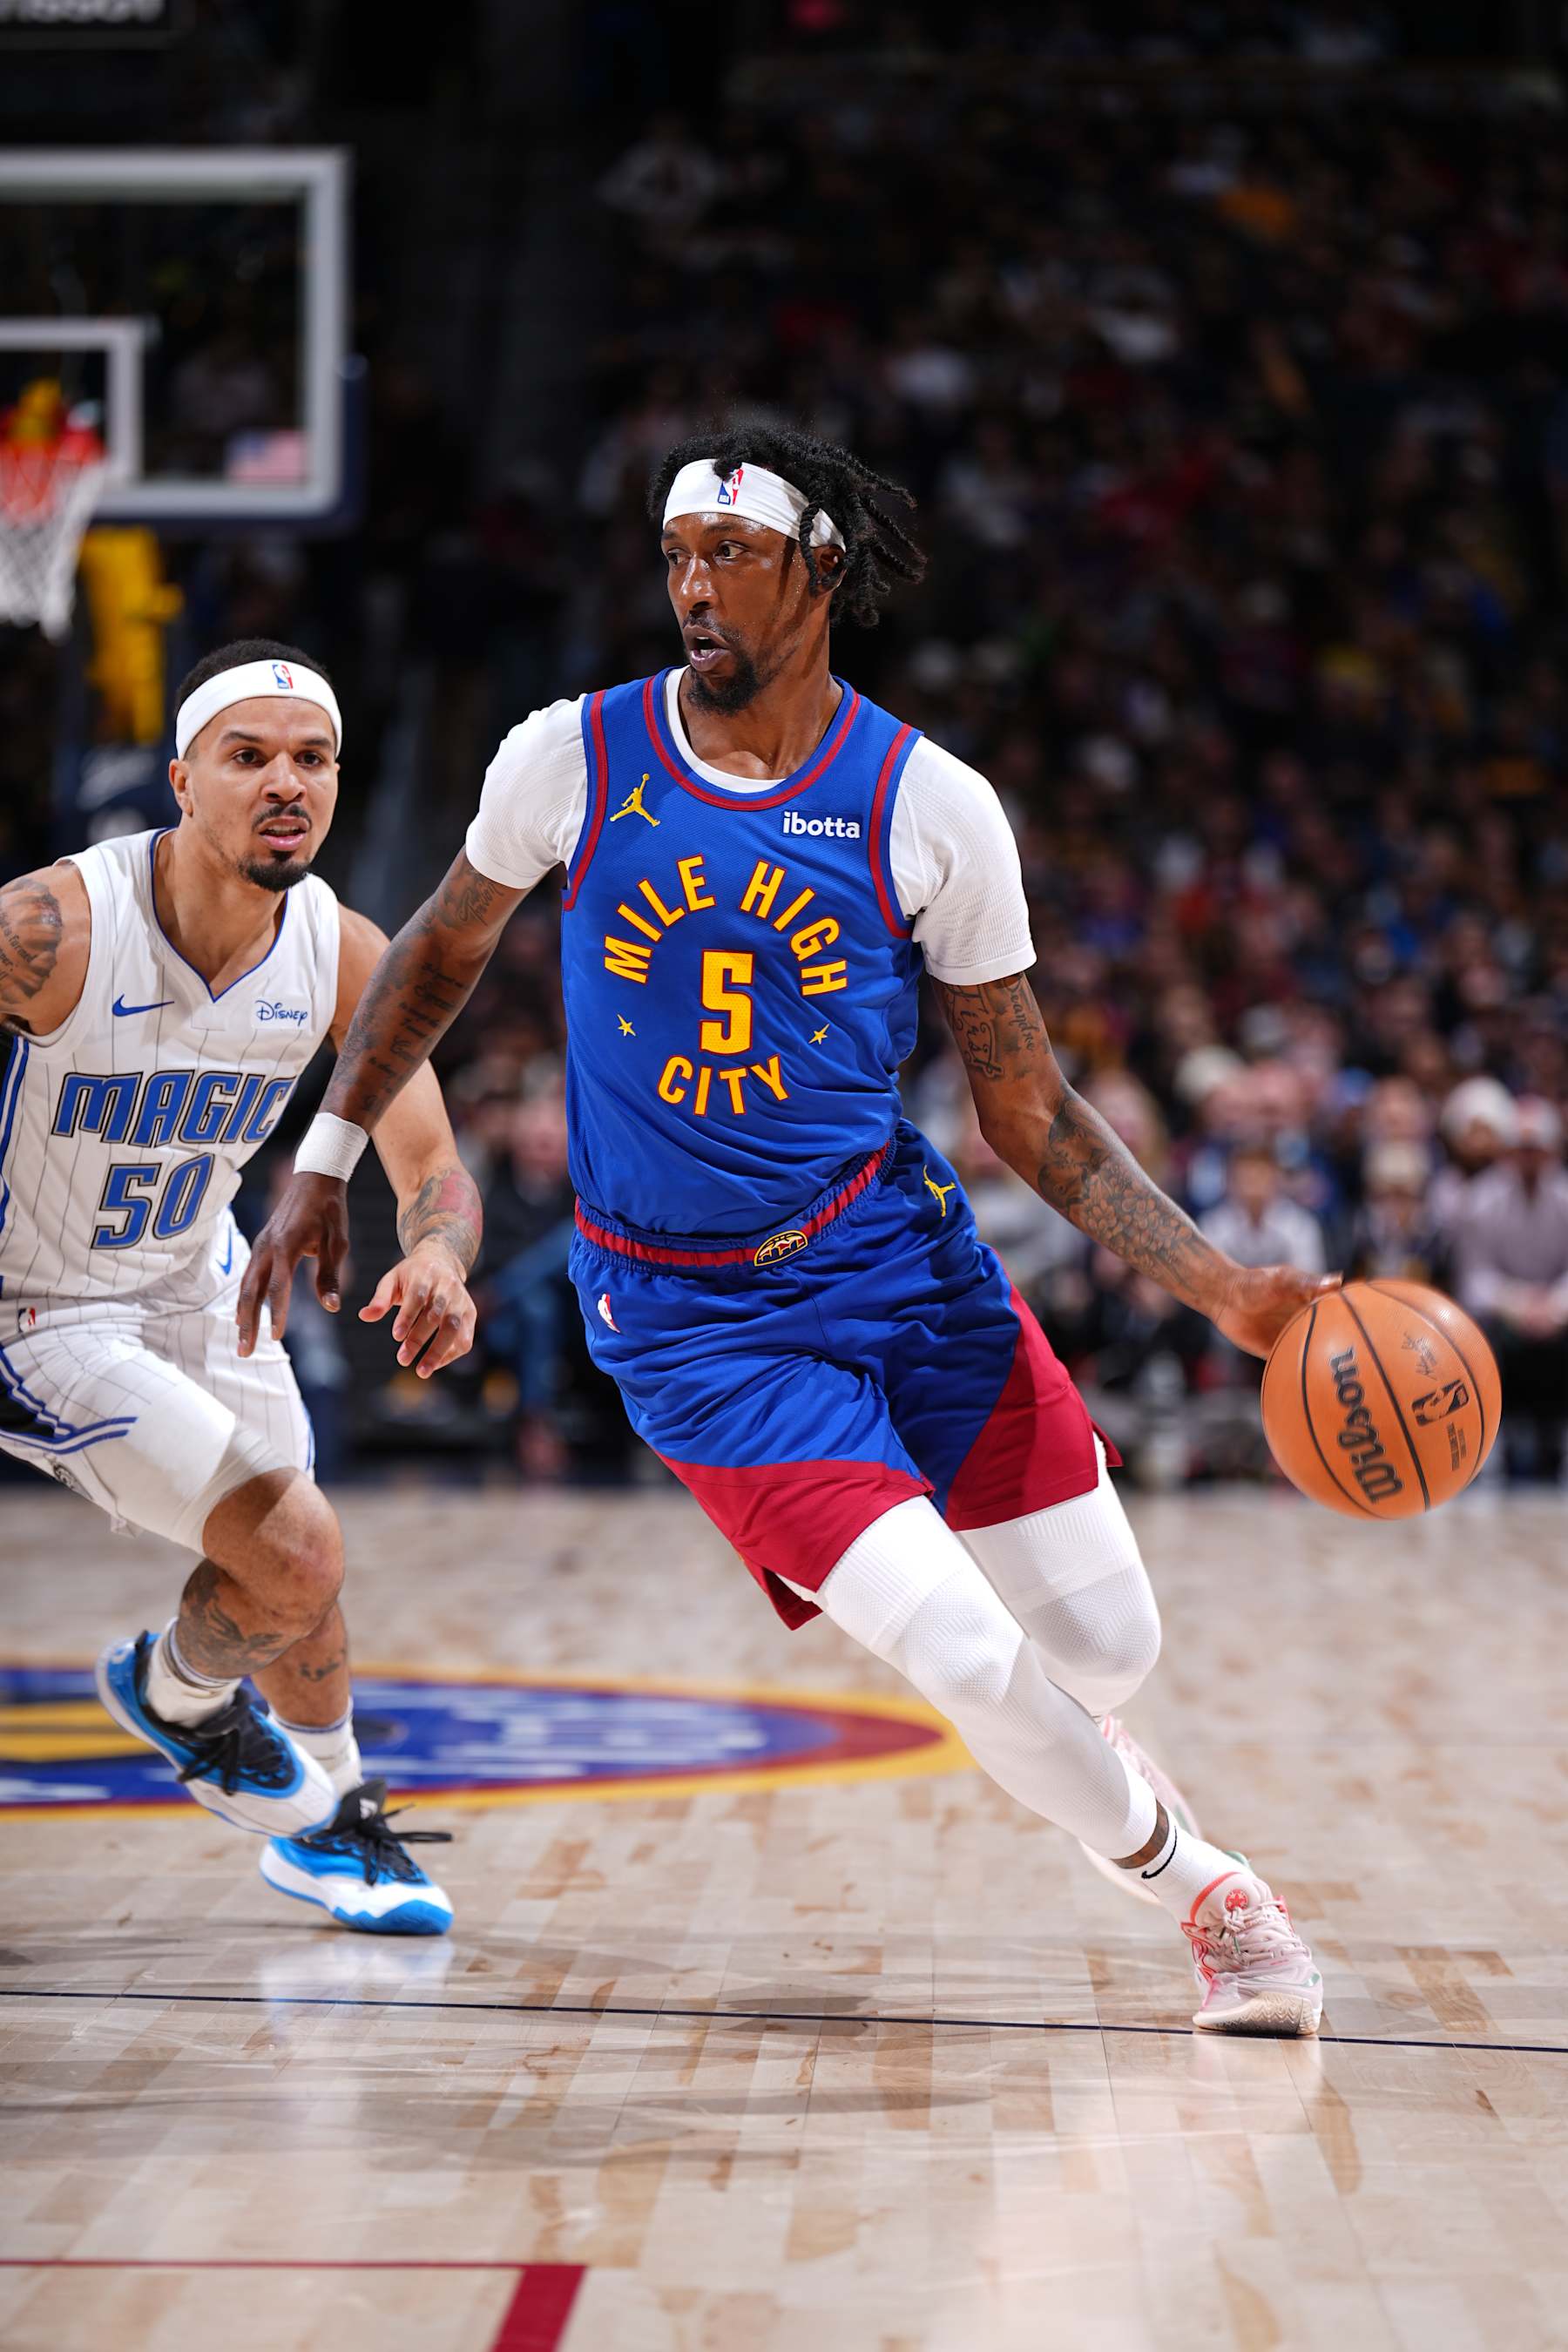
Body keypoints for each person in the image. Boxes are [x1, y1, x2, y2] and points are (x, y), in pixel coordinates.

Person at [247, 429, 1336, 2034]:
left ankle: (1092, 1766)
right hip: (698, 1328)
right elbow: (432, 955)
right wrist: (329, 1153)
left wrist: (1228, 1288)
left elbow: (1030, 1110)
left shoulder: (928, 805)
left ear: (818, 570)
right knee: (971, 1665)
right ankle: (1220, 1901)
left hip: (905, 1267)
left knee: (1103, 1647)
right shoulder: (575, 758)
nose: (693, 583)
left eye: (730, 554)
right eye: (677, 552)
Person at [0, 639, 478, 1933]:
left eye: (312, 759)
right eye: (249, 755)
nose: (287, 783)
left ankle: (328, 1823)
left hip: (198, 1275)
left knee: (300, 1566)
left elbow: (429, 1154)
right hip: (36, 1305)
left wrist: (437, 1248)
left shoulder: (338, 951)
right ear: (182, 781)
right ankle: (179, 1695)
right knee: (295, 1544)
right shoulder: (54, 928)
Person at [1454, 1097, 1568, 1482]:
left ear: (1552, 1151)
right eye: (1521, 1149)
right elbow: (1474, 1278)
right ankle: (1491, 1447)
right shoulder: (1480, 1200)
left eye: (1536, 1149)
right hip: (1505, 1317)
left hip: (1558, 1314)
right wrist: (1520, 1305)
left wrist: (1554, 1306)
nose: (1529, 1158)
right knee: (1477, 1338)